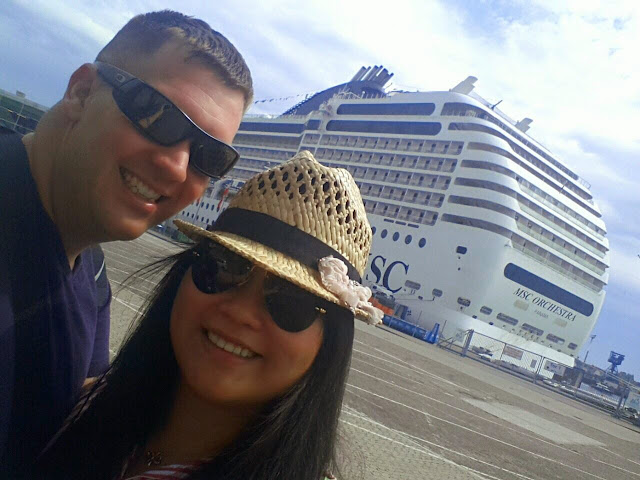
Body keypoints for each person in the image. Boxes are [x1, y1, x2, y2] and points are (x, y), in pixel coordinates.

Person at [0, 10, 252, 474]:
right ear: (81, 92)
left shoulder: (91, 273)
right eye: (157, 116)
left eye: (209, 155)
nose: (177, 167)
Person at [35, 152, 383, 480]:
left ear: (330, 340)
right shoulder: (78, 407)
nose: (241, 311)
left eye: (293, 301)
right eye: (223, 266)